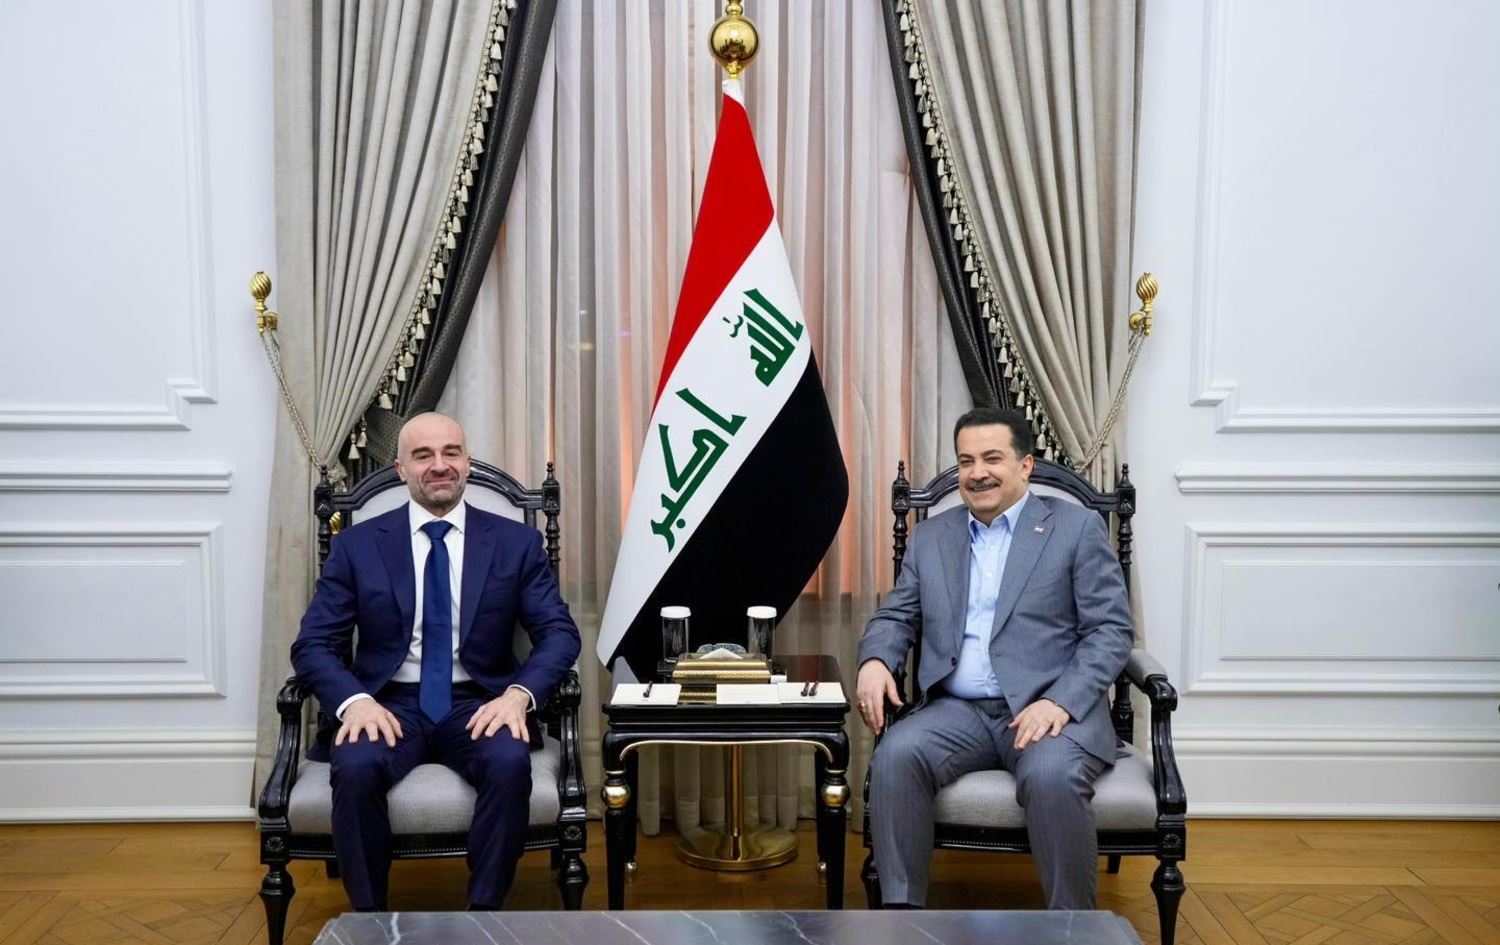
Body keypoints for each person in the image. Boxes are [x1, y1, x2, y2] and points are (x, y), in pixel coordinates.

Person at [291, 412, 581, 911]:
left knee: (509, 762)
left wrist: (518, 696)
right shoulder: (357, 546)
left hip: (479, 702)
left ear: (467, 462)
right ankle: (369, 922)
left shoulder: (515, 543)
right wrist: (354, 703)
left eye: (451, 452)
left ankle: (482, 918)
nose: (439, 465)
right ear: (401, 469)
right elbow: (313, 643)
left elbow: (558, 632)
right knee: (355, 766)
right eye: (423, 455)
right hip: (386, 704)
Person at [856, 407, 1133, 909]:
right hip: (957, 712)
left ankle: (1073, 928)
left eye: (992, 458)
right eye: (966, 461)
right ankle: (899, 918)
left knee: (1051, 776)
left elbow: (1110, 631)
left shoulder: (1075, 528)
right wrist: (875, 660)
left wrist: (1061, 702)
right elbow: (896, 616)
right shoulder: (931, 537)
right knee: (895, 755)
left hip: (1046, 711)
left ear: (1025, 465)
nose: (977, 472)